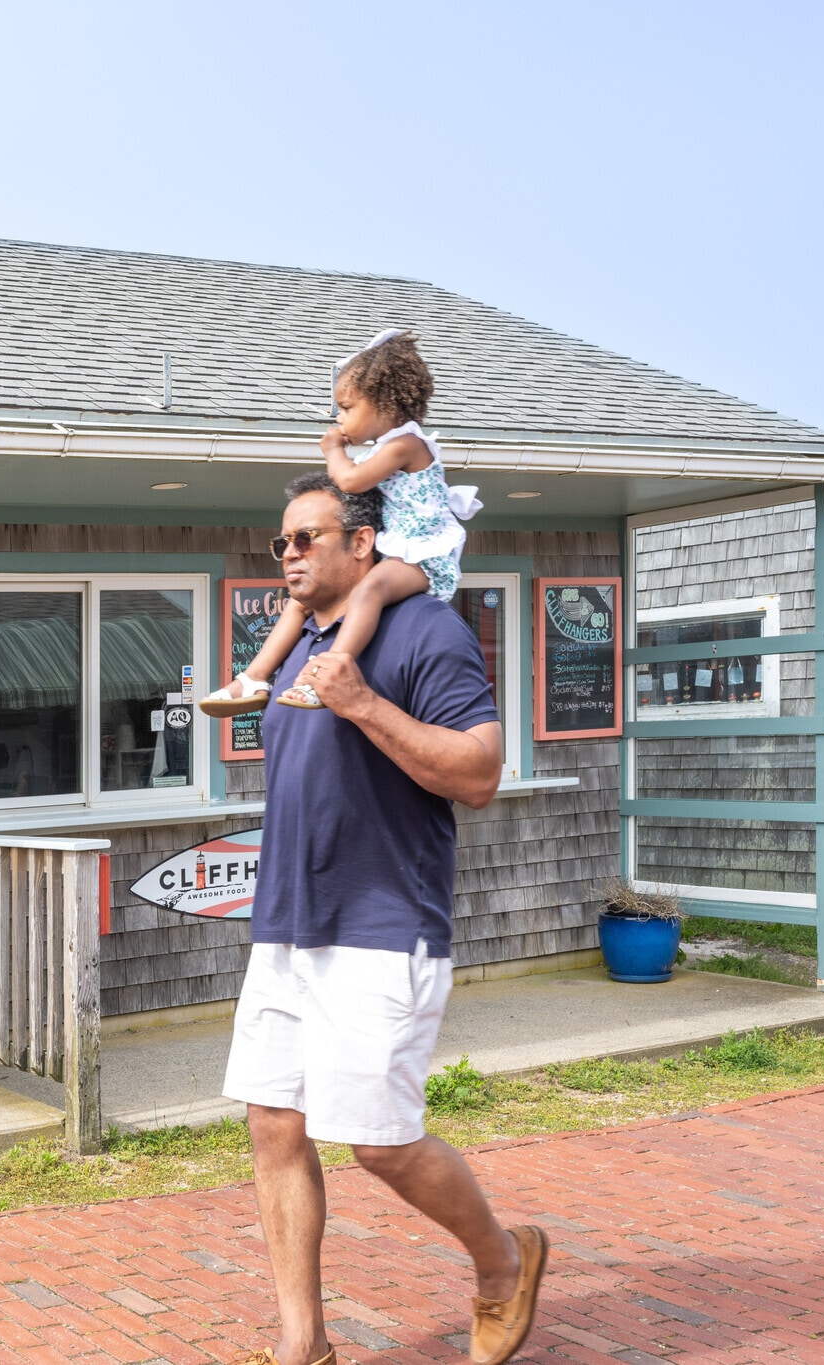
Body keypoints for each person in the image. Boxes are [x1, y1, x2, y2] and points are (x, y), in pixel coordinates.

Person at [218, 474, 545, 1365]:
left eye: (307, 537)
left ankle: (504, 1260)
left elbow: (478, 771)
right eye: (280, 541)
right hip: (287, 924)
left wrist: (361, 700)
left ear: (363, 544)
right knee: (273, 1124)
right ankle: (303, 1345)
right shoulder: (295, 649)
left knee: (378, 1141)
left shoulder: (424, 629)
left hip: (381, 922)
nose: (287, 553)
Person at [200, 330, 480, 717]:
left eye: (347, 407)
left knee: (370, 591)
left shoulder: (407, 445)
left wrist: (334, 449)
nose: (339, 417)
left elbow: (348, 481)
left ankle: (331, 669)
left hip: (423, 558)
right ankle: (255, 677)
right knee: (298, 606)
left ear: (384, 402)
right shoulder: (387, 448)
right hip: (395, 547)